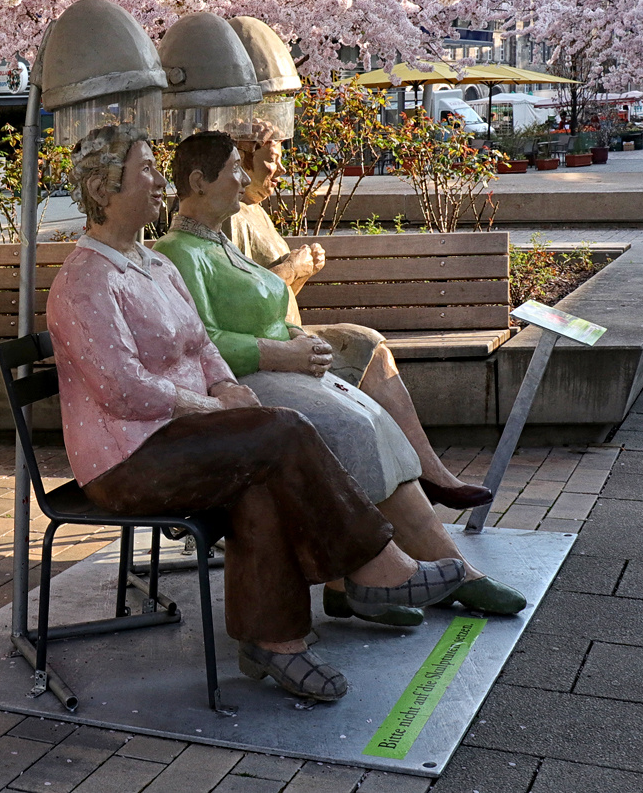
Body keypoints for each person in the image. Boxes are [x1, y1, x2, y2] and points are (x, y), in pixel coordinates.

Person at [47, 124, 467, 703]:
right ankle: (372, 567)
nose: (157, 180)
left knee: (262, 481)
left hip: (183, 437)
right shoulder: (86, 280)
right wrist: (217, 405)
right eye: (144, 168)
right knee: (283, 430)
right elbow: (125, 392)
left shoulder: (152, 265)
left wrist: (227, 386)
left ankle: (276, 643)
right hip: (127, 461)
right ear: (103, 188)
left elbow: (201, 345)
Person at [157, 131, 526, 621]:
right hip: (248, 384)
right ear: (200, 182)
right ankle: (382, 576)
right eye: (234, 172)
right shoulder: (181, 251)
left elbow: (266, 308)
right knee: (351, 429)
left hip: (282, 368)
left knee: (375, 420)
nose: (244, 179)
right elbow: (200, 343)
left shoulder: (221, 244)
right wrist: (281, 354)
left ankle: (420, 570)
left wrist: (297, 336)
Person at [225, 122, 495, 512]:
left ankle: (427, 472)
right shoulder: (233, 217)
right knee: (367, 346)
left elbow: (275, 299)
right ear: (244, 160)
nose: (279, 171)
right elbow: (240, 305)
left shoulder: (257, 213)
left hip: (287, 331)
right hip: (272, 346)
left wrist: (299, 273)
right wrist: (289, 269)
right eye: (271, 161)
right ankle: (426, 475)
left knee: (370, 344)